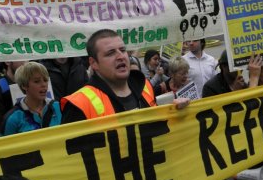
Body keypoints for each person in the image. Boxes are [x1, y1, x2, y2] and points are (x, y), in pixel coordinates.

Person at [61, 29, 189, 123]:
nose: (121, 56)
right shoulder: (80, 104)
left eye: (122, 50)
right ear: (93, 63)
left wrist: (175, 114)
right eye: (110, 53)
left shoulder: (145, 87)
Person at [202, 50, 262, 180]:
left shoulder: (242, 83)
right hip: (218, 147)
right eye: (232, 67)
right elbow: (216, 120)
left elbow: (250, 110)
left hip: (239, 143)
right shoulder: (211, 87)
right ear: (222, 67)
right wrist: (233, 94)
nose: (237, 71)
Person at [183, 38, 217, 180]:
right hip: (191, 112)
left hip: (209, 111)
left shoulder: (212, 61)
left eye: (194, 40)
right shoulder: (184, 61)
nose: (190, 43)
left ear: (202, 42)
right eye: (188, 40)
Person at [0, 62, 62, 137]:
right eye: (37, 81)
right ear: (24, 85)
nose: (43, 85)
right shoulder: (13, 118)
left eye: (45, 80)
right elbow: (4, 147)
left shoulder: (58, 107)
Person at [0, 61, 27, 130]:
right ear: (8, 62)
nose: (26, 62)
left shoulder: (34, 84)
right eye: (21, 58)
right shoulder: (0, 88)